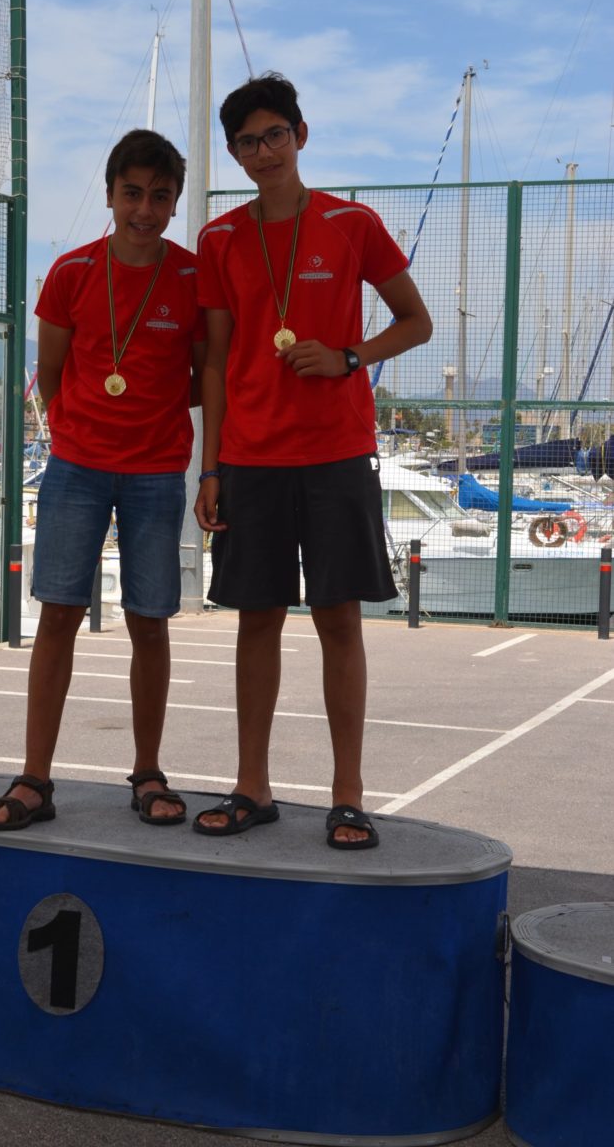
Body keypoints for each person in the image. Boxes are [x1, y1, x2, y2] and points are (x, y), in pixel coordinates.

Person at [193, 74, 432, 849]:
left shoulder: (351, 223)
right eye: (247, 142)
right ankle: (251, 787)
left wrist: (349, 356)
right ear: (234, 153)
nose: (263, 152)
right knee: (256, 620)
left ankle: (347, 796)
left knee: (338, 620)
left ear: (300, 135)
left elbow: (415, 321)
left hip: (335, 452)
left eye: (274, 135)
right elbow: (216, 360)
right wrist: (210, 468)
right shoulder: (219, 238)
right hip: (250, 456)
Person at [0, 128, 205, 832]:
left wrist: (151, 411)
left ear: (174, 202)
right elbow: (49, 373)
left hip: (157, 471)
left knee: (150, 623)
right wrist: (80, 429)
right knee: (58, 617)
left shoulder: (192, 278)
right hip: (76, 467)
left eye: (160, 196)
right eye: (132, 193)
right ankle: (34, 780)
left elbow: (206, 377)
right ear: (109, 195)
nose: (145, 209)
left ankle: (148, 772)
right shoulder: (72, 272)